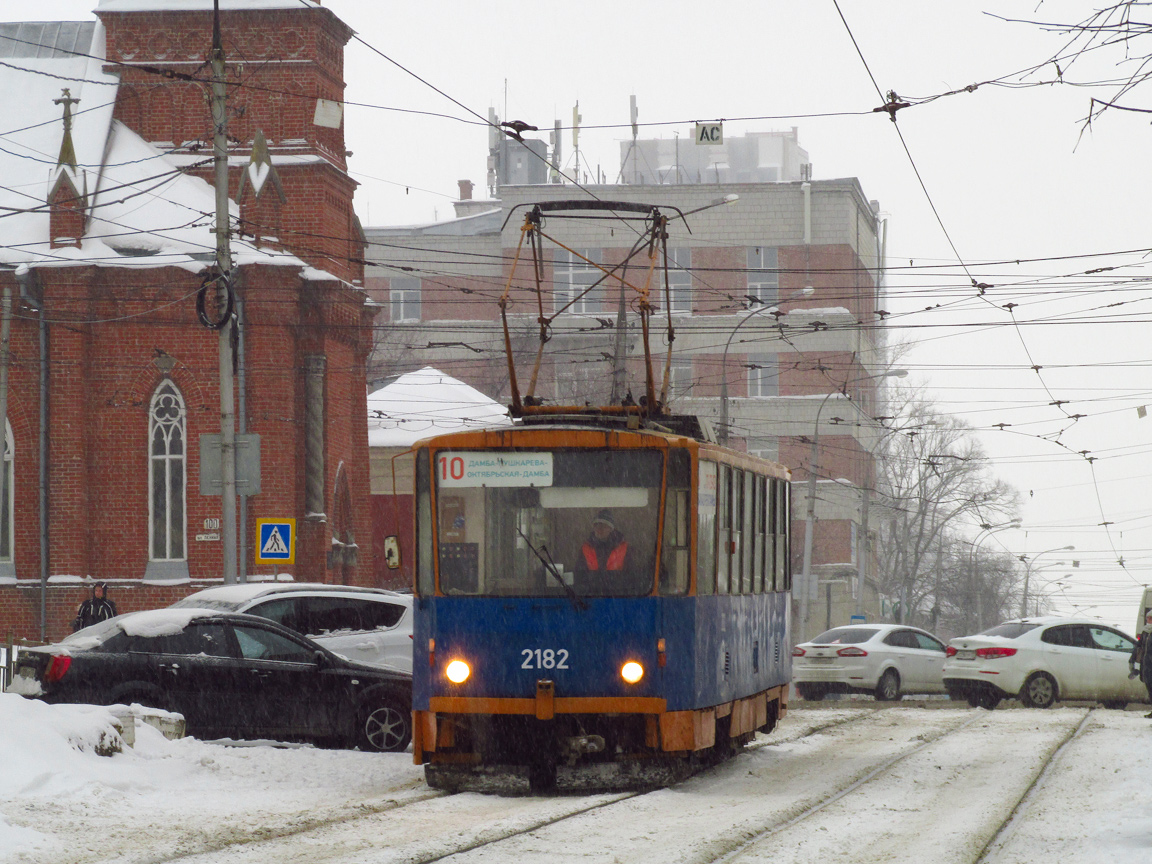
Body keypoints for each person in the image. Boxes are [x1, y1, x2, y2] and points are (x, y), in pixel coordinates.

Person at [575, 510, 630, 577]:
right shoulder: (586, 548)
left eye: (604, 526)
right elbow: (579, 575)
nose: (599, 529)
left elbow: (631, 576)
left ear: (611, 529)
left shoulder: (623, 548)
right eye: (596, 525)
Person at [1129, 609, 1152, 716]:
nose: (1149, 620)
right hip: (1146, 665)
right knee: (1149, 687)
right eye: (1148, 618)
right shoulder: (1145, 632)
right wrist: (1132, 659)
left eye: (1151, 618)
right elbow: (1138, 646)